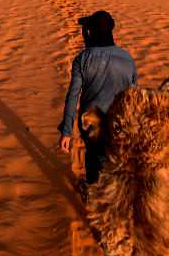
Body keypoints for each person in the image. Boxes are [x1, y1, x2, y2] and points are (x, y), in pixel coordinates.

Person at [58, 10, 137, 187]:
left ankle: (93, 192)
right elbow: (135, 98)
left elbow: (73, 96)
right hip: (121, 125)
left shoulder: (82, 59)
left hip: (91, 126)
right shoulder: (128, 59)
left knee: (94, 158)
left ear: (90, 32)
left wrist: (66, 132)